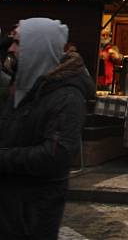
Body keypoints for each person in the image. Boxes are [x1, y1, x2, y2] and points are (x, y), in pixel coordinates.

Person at [0, 18, 95, 240]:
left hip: (32, 211)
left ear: (37, 47)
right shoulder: (24, 85)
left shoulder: (67, 96)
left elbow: (56, 154)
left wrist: (3, 158)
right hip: (10, 205)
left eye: (18, 43)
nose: (11, 49)